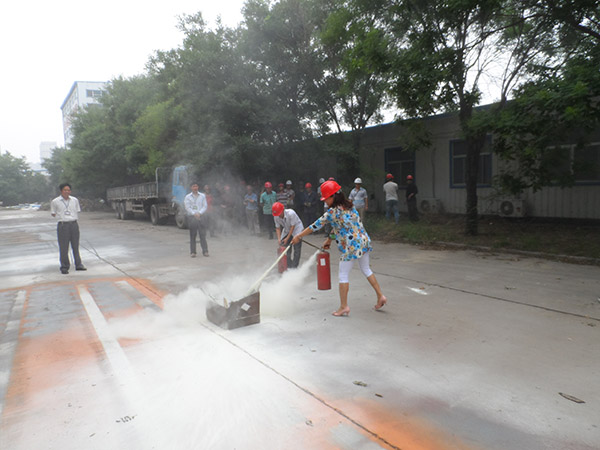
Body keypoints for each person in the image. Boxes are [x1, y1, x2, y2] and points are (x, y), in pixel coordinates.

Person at [292, 180, 387, 316]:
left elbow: (314, 226)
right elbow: (341, 226)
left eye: (326, 199)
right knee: (366, 269)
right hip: (363, 242)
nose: (325, 202)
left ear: (333, 196)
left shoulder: (332, 212)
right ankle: (380, 296)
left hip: (350, 247)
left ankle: (343, 307)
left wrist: (299, 236)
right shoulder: (349, 206)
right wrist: (329, 239)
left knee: (343, 275)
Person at [50, 183, 86, 274]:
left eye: (68, 190)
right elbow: (53, 213)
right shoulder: (55, 201)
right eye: (65, 190)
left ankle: (78, 264)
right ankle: (64, 266)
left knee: (75, 245)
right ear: (61, 191)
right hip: (63, 225)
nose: (67, 192)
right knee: (64, 247)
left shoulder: (74, 200)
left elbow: (77, 210)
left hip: (73, 224)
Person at [272, 201, 304, 269]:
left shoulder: (291, 213)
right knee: (285, 248)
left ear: (283, 210)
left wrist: (288, 238)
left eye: (279, 213)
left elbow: (293, 226)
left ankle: (294, 267)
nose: (278, 216)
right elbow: (277, 228)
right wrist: (279, 239)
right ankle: (289, 265)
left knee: (296, 249)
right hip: (286, 229)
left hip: (296, 229)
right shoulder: (276, 216)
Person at [184, 182, 209, 257]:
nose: (195, 187)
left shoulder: (202, 196)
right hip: (192, 217)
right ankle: (193, 252)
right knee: (193, 235)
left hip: (201, 216)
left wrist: (199, 213)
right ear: (191, 188)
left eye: (196, 186)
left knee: (202, 235)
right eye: (193, 186)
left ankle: (205, 251)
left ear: (198, 187)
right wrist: (194, 213)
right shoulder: (188, 197)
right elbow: (187, 207)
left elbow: (205, 206)